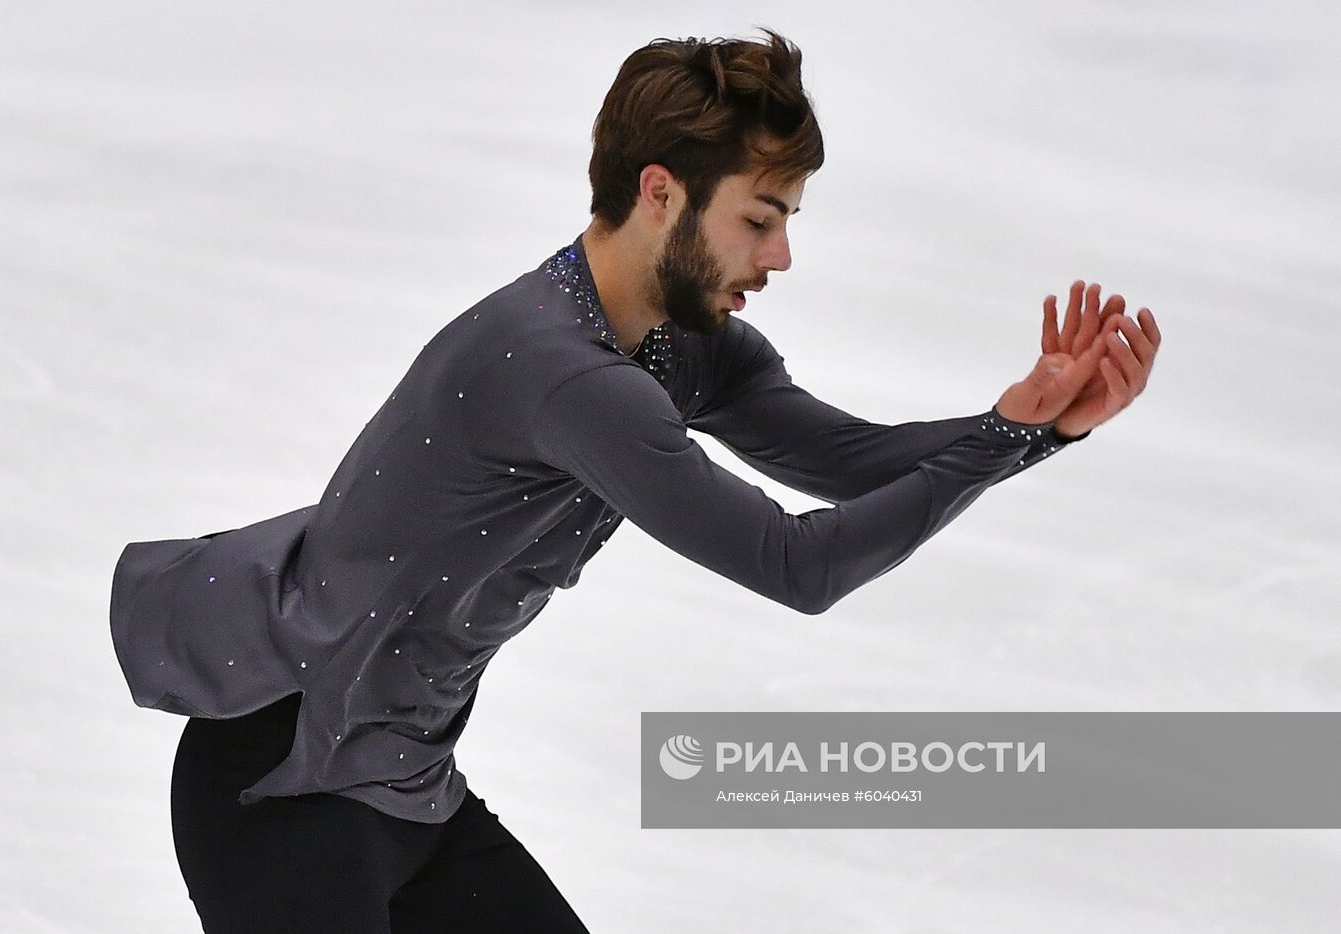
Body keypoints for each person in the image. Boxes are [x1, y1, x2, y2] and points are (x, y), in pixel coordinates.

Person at [109, 27, 1161, 934]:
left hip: (407, 793)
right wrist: (997, 444)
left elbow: (845, 460)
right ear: (660, 193)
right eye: (759, 218)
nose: (782, 253)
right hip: (281, 787)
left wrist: (1022, 425)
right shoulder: (559, 372)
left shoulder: (675, 346)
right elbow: (794, 562)